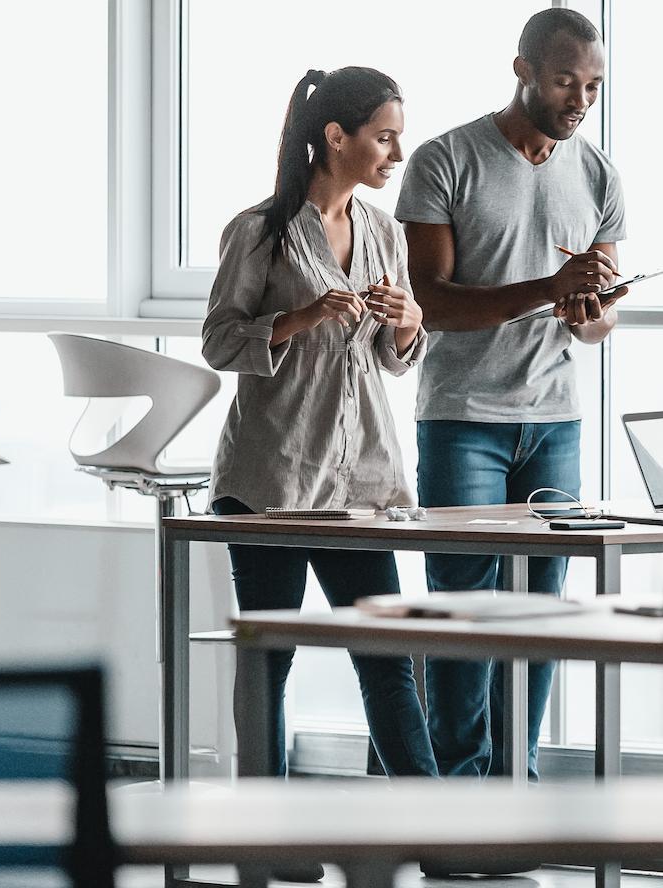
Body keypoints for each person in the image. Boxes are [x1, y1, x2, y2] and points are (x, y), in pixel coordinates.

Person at [200, 67, 438, 834]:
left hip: (359, 483)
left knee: (387, 656)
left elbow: (397, 361)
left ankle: (438, 829)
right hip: (269, 478)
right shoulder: (260, 232)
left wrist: (406, 323)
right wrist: (298, 318)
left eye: (398, 135)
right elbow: (217, 342)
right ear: (335, 137)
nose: (396, 151)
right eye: (384, 136)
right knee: (271, 658)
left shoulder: (384, 233)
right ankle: (263, 835)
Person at [397, 7, 627, 778]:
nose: (580, 99)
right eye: (566, 80)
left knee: (537, 620)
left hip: (556, 421)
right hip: (464, 419)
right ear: (523, 67)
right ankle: (457, 811)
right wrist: (545, 288)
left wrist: (588, 310)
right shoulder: (444, 160)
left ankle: (513, 796)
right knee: (464, 615)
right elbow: (430, 301)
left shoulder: (597, 173)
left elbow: (599, 324)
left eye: (593, 85)